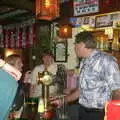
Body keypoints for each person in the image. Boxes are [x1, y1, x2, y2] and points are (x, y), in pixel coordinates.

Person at [51, 31, 120, 120]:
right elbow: (80, 91)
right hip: (83, 111)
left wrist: (114, 115)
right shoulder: (84, 61)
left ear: (82, 45)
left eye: (75, 44)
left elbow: (117, 91)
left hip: (99, 114)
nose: (74, 47)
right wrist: (62, 101)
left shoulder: (106, 61)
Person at [5, 54, 31, 119]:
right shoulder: (7, 79)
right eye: (19, 63)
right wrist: (24, 82)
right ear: (11, 66)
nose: (22, 65)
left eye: (21, 62)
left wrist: (24, 82)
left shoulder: (16, 78)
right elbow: (16, 103)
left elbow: (21, 94)